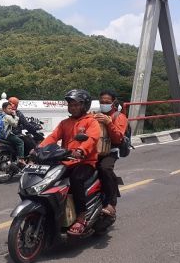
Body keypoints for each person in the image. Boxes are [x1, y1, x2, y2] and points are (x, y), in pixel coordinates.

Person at [36, 89, 100, 236]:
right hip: (66, 161)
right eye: (71, 105)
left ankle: (81, 216)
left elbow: (92, 139)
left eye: (76, 104)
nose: (73, 107)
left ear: (85, 106)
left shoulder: (91, 122)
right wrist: (39, 148)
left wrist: (81, 150)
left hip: (85, 162)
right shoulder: (65, 123)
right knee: (49, 179)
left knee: (75, 179)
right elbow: (53, 137)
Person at [93, 89, 128, 218]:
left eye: (107, 102)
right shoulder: (95, 115)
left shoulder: (119, 117)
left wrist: (108, 123)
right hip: (95, 150)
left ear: (113, 102)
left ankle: (111, 203)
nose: (104, 104)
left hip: (111, 150)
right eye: (102, 101)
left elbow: (118, 138)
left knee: (105, 168)